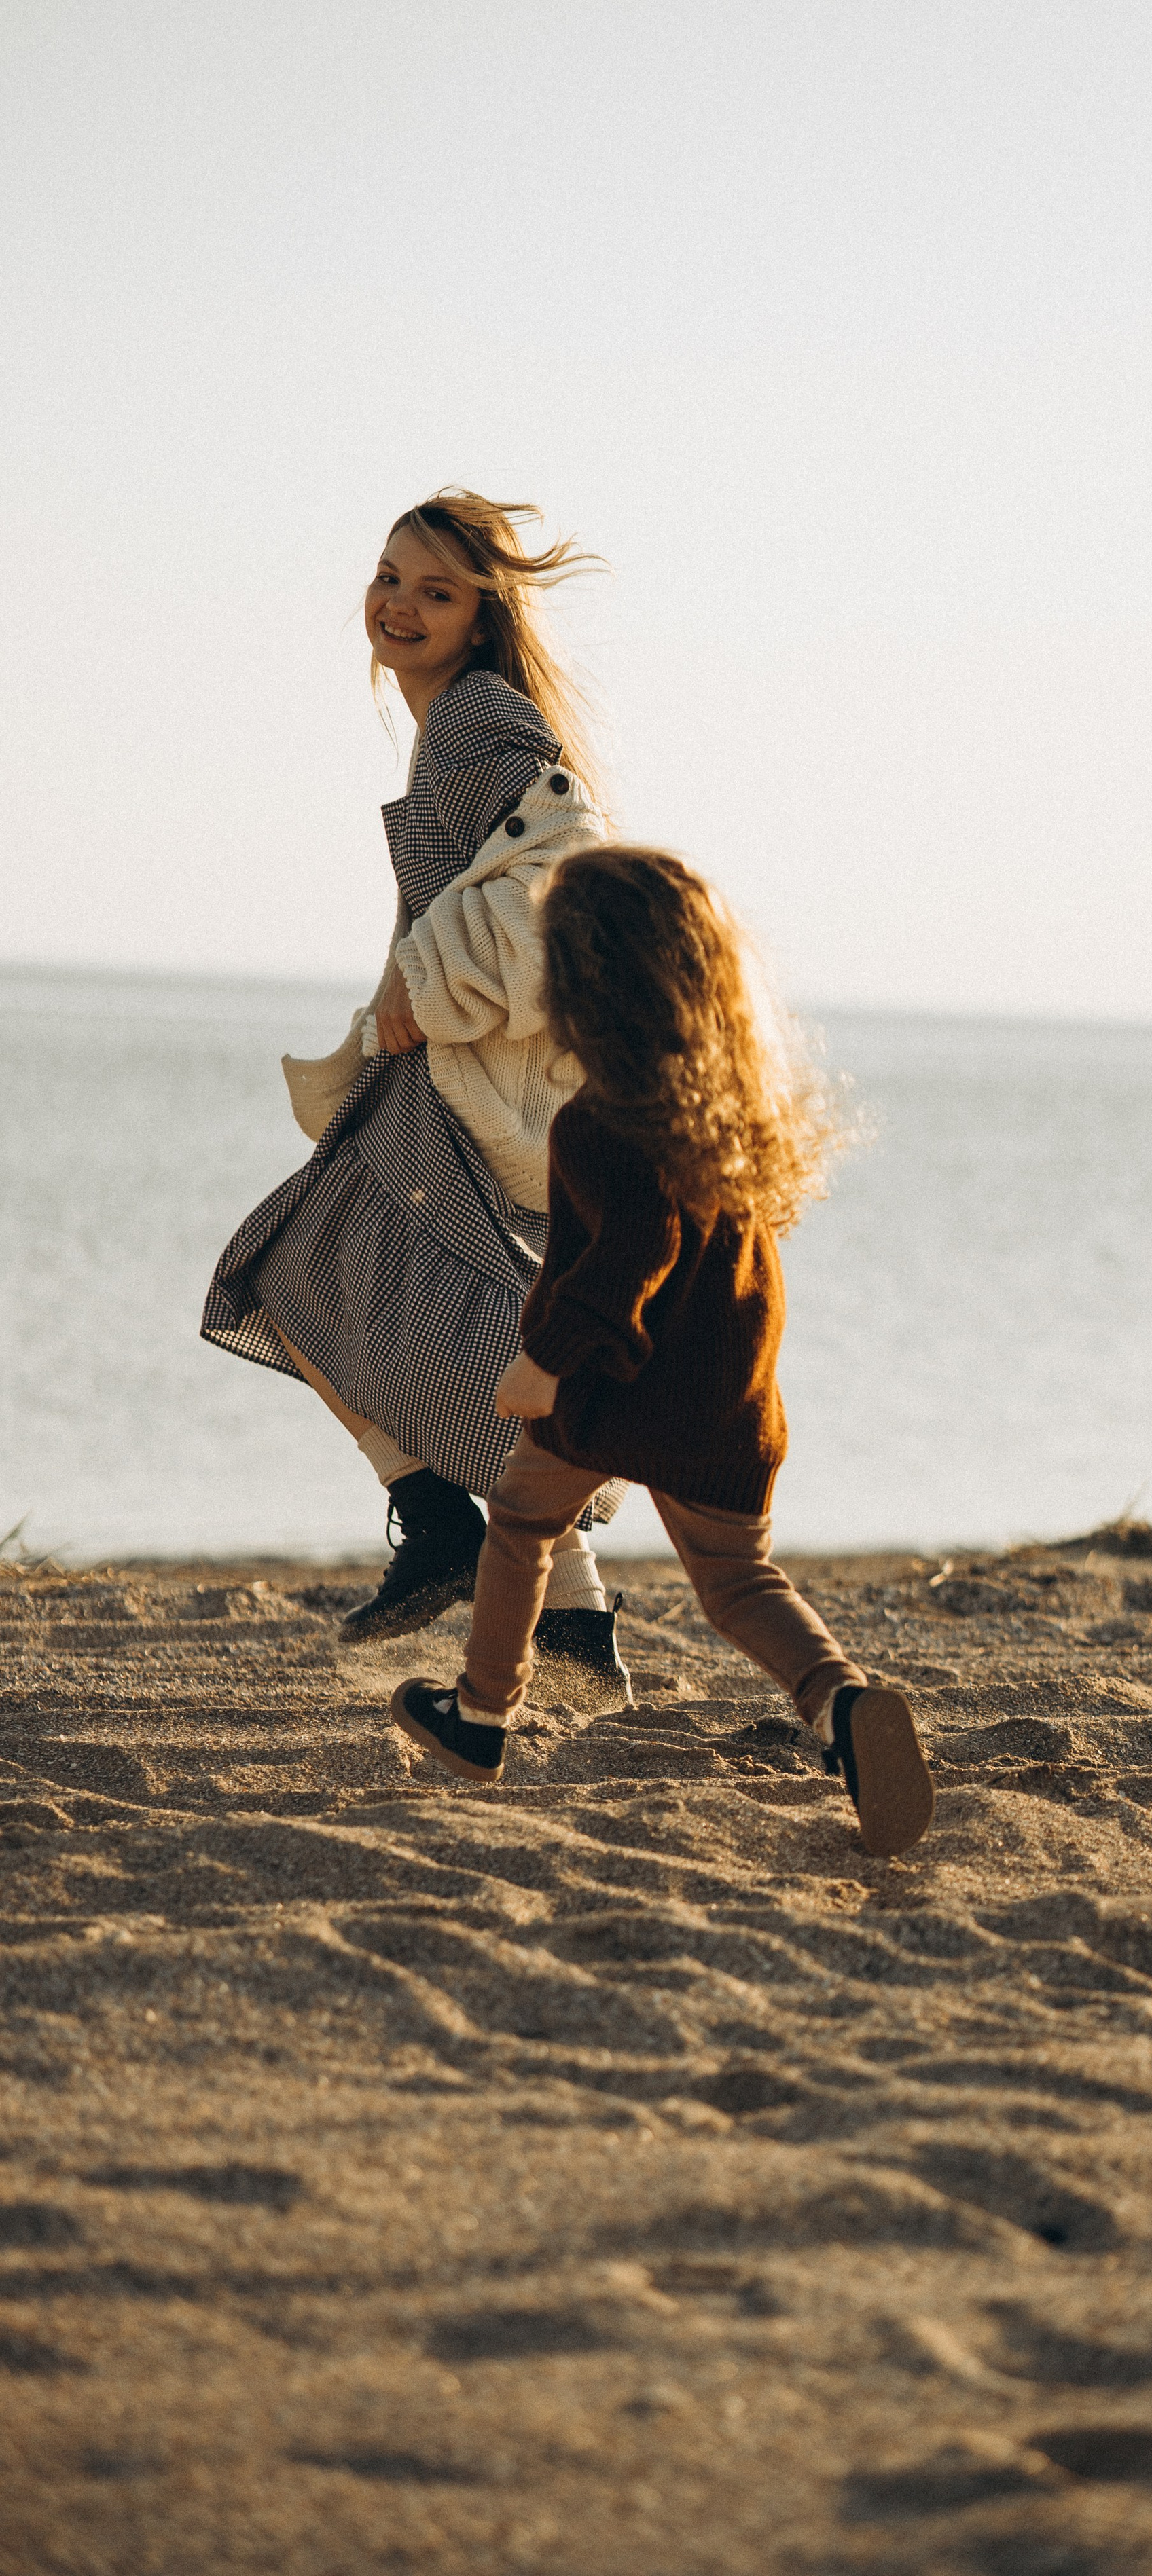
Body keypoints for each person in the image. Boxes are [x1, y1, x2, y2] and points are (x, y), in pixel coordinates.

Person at [387, 847, 937, 1858]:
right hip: (723, 1399)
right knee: (738, 1583)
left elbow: (631, 1255)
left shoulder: (601, 1126)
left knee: (520, 1521)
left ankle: (480, 1716)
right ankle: (842, 1705)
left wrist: (546, 1362)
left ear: (584, 987)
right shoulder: (724, 1123)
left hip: (611, 1392)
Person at [202, 491, 625, 1678]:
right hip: (448, 1074)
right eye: (389, 577)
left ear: (482, 618)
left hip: (455, 1075)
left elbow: (561, 877)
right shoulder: (453, 719)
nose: (398, 605)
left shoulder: (481, 720)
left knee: (281, 1271)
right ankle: (576, 1623)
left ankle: (439, 1523)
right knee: (461, 1322)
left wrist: (423, 978)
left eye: (435, 591)